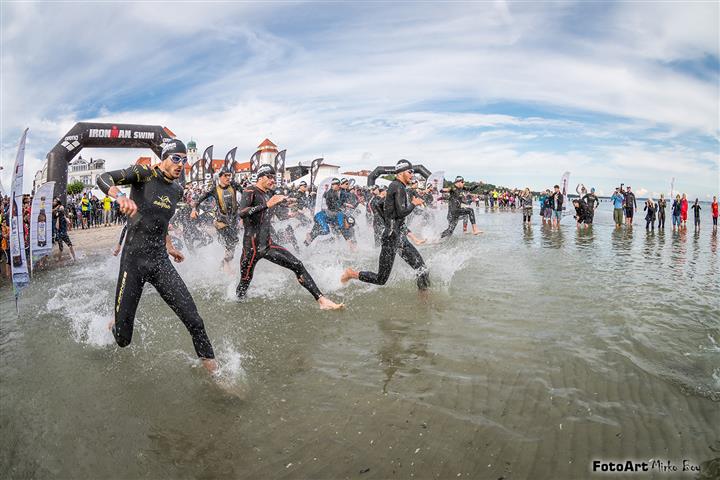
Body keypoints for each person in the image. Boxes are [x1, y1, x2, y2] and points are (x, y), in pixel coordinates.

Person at [96, 140, 218, 375]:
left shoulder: (177, 189)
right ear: (164, 158)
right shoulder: (143, 174)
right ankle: (116, 321)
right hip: (134, 261)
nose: (181, 164)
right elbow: (103, 178)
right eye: (176, 158)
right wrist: (120, 197)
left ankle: (215, 375)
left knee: (194, 320)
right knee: (123, 339)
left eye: (184, 159)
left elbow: (162, 222)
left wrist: (170, 246)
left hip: (160, 261)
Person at [236, 164, 343, 310]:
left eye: (274, 177)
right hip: (251, 248)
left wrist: (292, 211)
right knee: (245, 282)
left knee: (297, 265)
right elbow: (242, 212)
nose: (273, 180)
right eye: (270, 177)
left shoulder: (269, 194)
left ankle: (321, 300)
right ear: (261, 177)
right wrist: (267, 205)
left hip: (267, 245)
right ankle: (239, 305)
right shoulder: (250, 191)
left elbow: (278, 215)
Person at [341, 160, 429, 290]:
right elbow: (401, 212)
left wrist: (388, 221)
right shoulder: (398, 186)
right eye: (410, 171)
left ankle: (424, 300)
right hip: (391, 238)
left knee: (422, 269)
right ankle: (352, 273)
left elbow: (378, 204)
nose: (412, 174)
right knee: (381, 279)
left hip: (396, 236)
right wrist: (413, 204)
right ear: (401, 173)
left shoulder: (396, 187)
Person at [191, 167, 242, 273]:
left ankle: (223, 264)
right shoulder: (214, 190)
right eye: (225, 176)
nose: (228, 178)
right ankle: (227, 267)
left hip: (233, 221)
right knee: (232, 241)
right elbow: (198, 200)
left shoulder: (234, 186)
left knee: (232, 245)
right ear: (220, 177)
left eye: (229, 175)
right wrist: (193, 210)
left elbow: (247, 195)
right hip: (221, 222)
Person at [52, 198, 76, 262]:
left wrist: (67, 220)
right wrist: (58, 218)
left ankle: (74, 258)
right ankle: (59, 259)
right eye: (61, 208)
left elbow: (67, 221)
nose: (62, 208)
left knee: (70, 245)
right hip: (60, 233)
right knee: (61, 248)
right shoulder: (56, 214)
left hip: (63, 232)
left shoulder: (62, 214)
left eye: (62, 208)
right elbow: (57, 226)